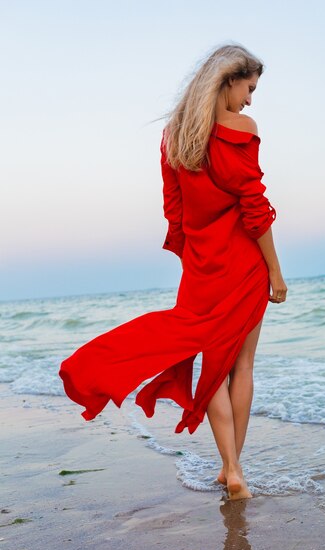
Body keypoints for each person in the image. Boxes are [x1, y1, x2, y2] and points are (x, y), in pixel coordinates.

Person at [59, 43, 287, 501]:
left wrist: (197, 264)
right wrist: (276, 275)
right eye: (249, 88)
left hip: (202, 269)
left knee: (211, 368)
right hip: (244, 266)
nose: (250, 100)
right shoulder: (241, 130)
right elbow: (255, 211)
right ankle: (234, 469)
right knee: (241, 366)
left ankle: (231, 470)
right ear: (228, 80)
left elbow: (175, 212)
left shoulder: (174, 136)